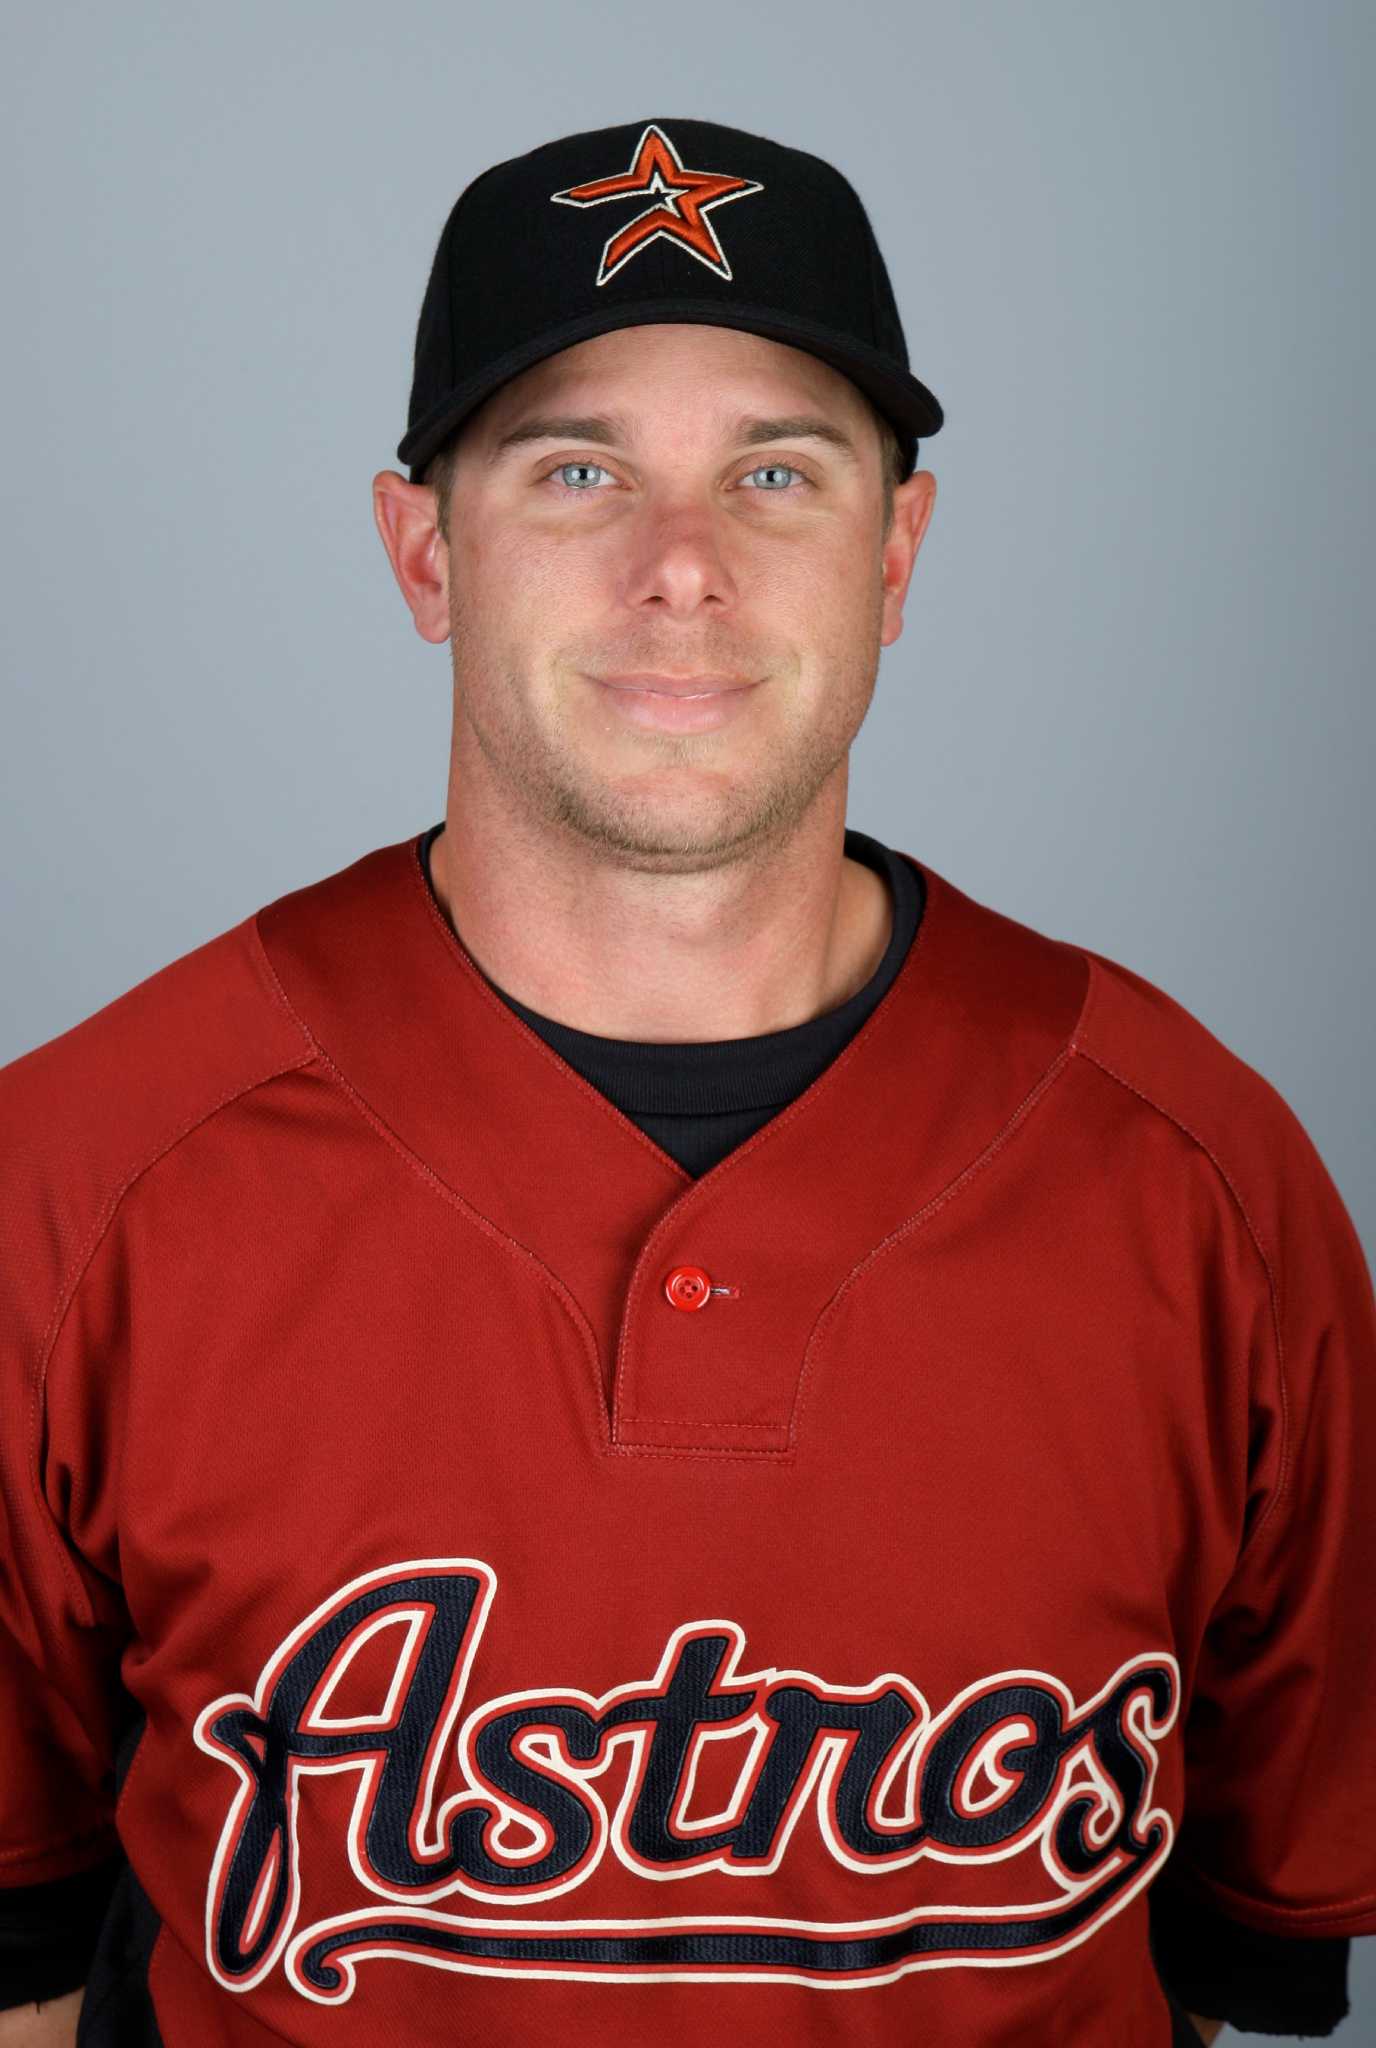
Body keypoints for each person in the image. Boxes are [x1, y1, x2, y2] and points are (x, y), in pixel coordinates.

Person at [1, 116, 1370, 2047]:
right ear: (424, 550)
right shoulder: (68, 1183)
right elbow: (17, 1962)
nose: (682, 568)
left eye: (777, 471)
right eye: (576, 469)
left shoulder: (1208, 1184)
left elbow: (1233, 1952)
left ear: (895, 553)